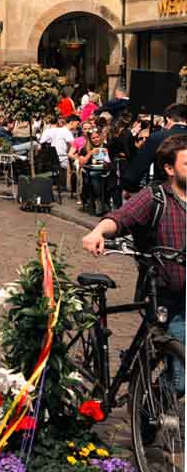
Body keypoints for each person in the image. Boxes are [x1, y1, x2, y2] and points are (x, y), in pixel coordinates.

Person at [82, 135, 186, 390]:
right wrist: (98, 232)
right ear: (169, 169)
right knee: (182, 376)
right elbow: (120, 218)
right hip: (166, 296)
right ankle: (148, 414)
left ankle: (147, 399)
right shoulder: (155, 197)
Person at [122, 103, 187, 194]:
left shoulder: (158, 137)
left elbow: (138, 167)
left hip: (167, 192)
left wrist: (129, 188)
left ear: (168, 119)